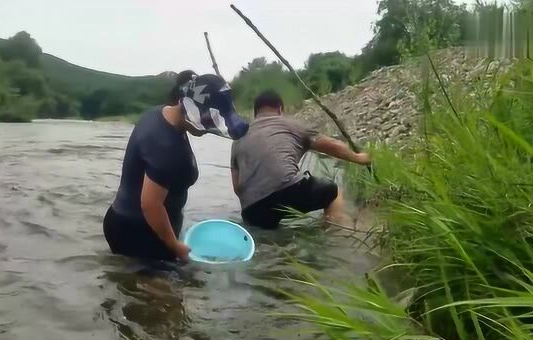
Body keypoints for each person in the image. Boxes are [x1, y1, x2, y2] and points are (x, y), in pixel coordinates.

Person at [103, 71, 249, 262]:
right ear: (190, 110)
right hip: (138, 232)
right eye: (208, 125)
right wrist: (175, 245)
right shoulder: (165, 144)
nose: (209, 132)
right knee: (162, 290)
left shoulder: (160, 114)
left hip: (136, 225)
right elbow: (151, 205)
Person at [230, 90, 371, 229]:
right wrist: (359, 158)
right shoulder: (290, 125)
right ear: (280, 109)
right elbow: (331, 145)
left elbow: (237, 188)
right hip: (287, 189)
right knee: (333, 192)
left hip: (251, 209)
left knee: (269, 239)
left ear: (255, 113)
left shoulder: (237, 140)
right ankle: (335, 234)